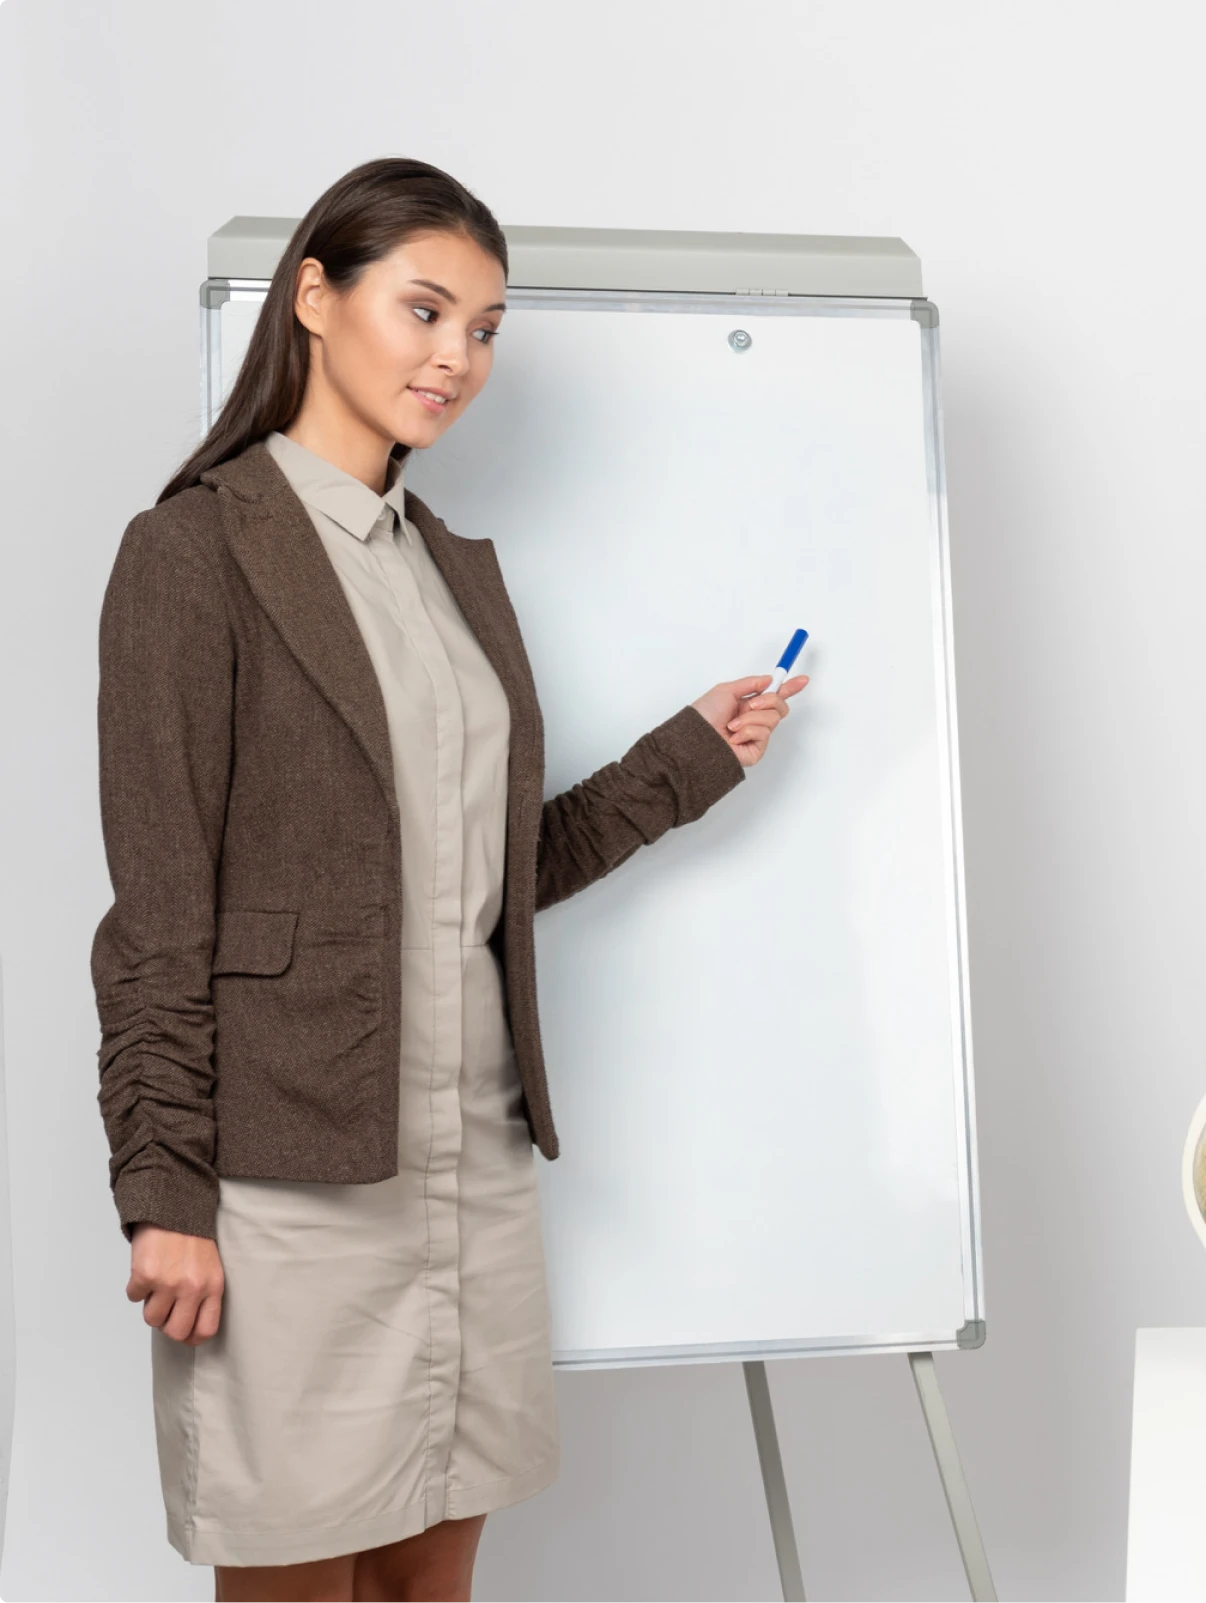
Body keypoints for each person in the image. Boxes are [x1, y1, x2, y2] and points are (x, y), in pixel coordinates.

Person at [91, 158, 804, 1599]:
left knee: (433, 1581)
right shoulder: (193, 555)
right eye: (424, 310)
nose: (455, 357)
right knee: (294, 1572)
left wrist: (686, 757)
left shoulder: (452, 571)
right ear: (313, 296)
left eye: (484, 328)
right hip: (289, 1194)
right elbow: (158, 916)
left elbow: (481, 875)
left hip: (469, 1176)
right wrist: (160, 1183)